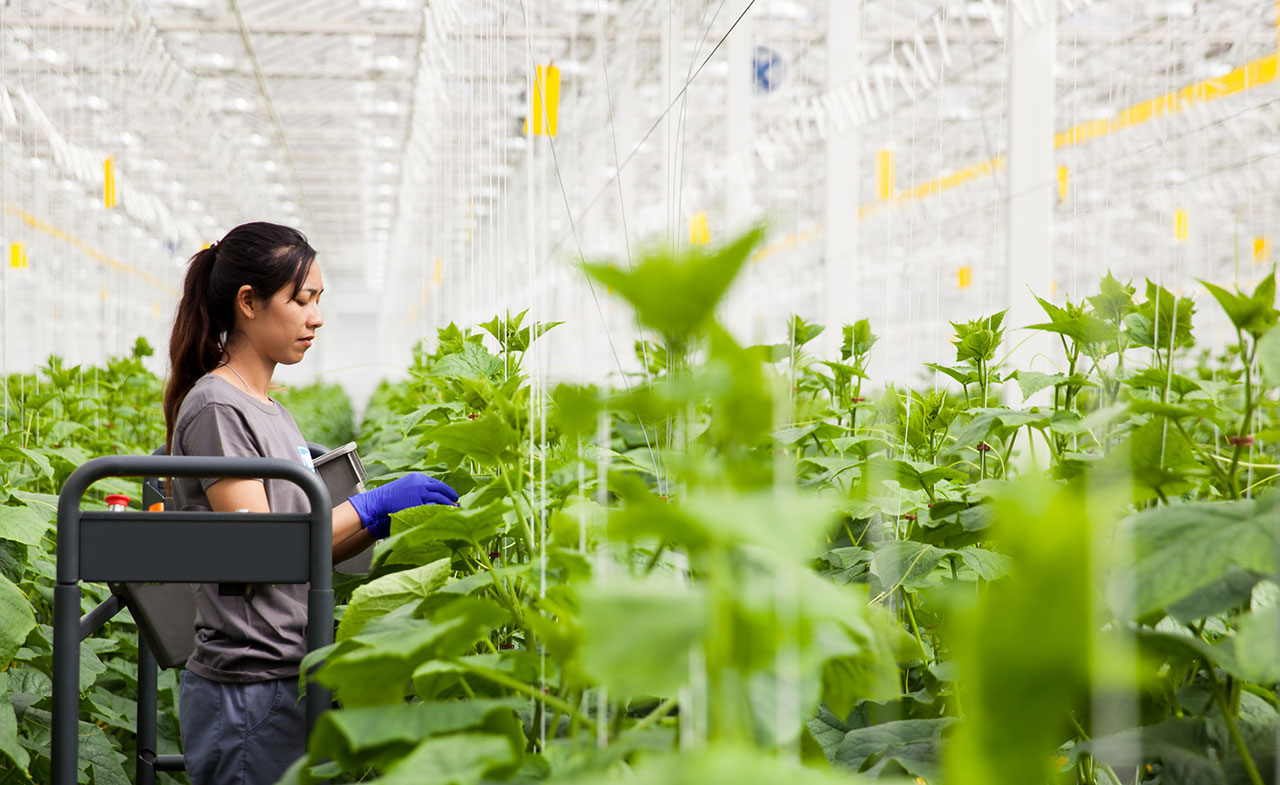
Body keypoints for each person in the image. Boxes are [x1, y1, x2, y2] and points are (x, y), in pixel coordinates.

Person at [163, 221, 458, 785]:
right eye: (301, 300)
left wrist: (380, 518)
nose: (315, 317)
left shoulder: (269, 407)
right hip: (247, 689)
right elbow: (265, 550)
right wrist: (372, 508)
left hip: (285, 674)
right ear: (247, 302)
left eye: (318, 300)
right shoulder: (219, 408)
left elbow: (299, 545)